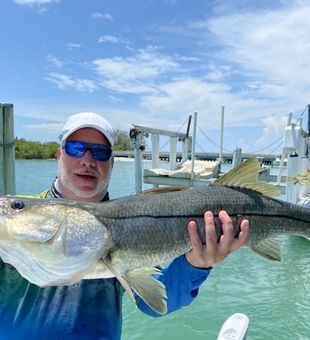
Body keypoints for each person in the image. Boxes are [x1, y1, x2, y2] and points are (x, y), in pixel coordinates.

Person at [0, 112, 249, 339]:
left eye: (99, 152)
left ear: (111, 163)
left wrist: (196, 265)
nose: (87, 160)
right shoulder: (15, 225)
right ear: (59, 155)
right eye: (76, 149)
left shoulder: (133, 223)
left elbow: (154, 302)